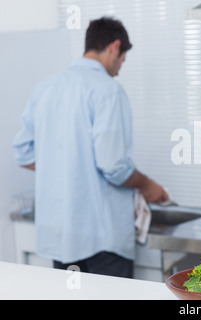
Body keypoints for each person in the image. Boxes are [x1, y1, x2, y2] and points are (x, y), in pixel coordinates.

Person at [12, 17, 168, 278]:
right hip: (101, 238)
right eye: (122, 61)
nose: (118, 70)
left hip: (60, 236)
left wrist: (64, 167)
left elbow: (23, 153)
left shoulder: (45, 88)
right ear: (115, 47)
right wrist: (147, 184)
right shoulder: (108, 91)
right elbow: (114, 167)